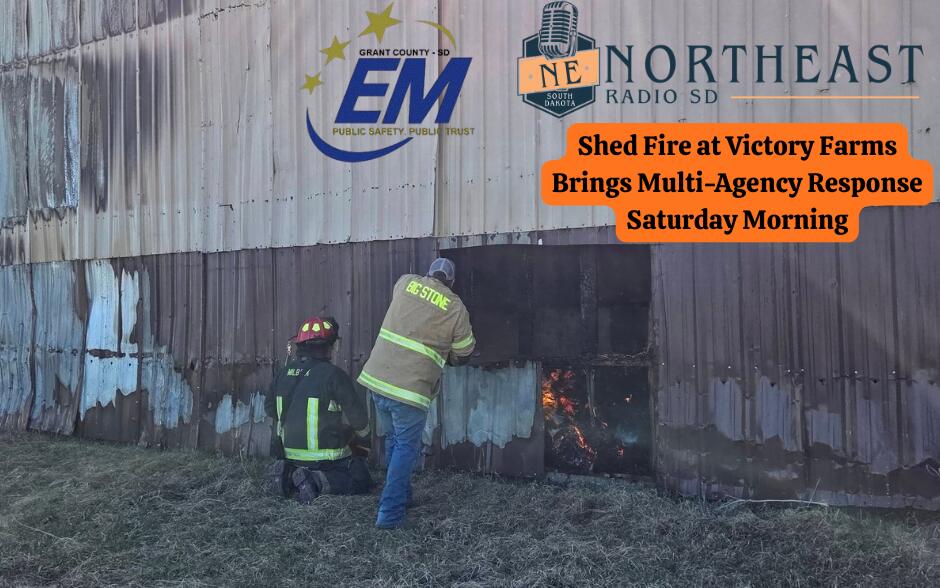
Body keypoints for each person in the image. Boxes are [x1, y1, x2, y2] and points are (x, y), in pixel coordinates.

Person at [358, 258, 475, 529]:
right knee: (405, 448)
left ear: (429, 273)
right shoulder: (455, 307)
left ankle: (403, 496)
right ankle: (390, 515)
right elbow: (465, 350)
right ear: (452, 282)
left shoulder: (405, 282)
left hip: (378, 380)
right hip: (409, 389)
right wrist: (449, 355)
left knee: (394, 441)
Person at [265, 316, 373, 503]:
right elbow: (358, 419)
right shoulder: (334, 375)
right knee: (361, 478)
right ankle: (315, 481)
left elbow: (269, 409)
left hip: (288, 455)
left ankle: (287, 477)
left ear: (300, 345)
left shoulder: (283, 374)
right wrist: (364, 441)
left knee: (298, 469)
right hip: (326, 460)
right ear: (329, 346)